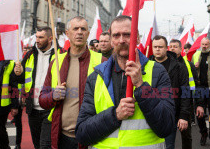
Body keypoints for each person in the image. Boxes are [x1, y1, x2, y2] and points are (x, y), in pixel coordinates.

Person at [75, 15, 175, 149]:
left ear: (138, 38)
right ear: (111, 41)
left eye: (127, 34)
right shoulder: (96, 77)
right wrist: (115, 115)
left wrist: (140, 85)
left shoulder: (157, 72)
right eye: (116, 35)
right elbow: (82, 133)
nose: (122, 40)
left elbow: (166, 126)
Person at [39, 16, 103, 149]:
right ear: (67, 33)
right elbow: (42, 100)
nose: (79, 32)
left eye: (83, 29)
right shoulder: (56, 62)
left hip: (91, 137)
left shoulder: (102, 61)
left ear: (87, 33)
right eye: (75, 29)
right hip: (62, 137)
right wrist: (53, 96)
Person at [14, 26, 56, 149]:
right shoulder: (29, 55)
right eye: (36, 37)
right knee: (37, 144)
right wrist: (18, 73)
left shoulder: (60, 54)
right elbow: (21, 79)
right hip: (32, 108)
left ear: (50, 39)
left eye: (41, 37)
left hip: (50, 108)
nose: (37, 40)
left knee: (45, 145)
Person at [151, 35, 191, 149]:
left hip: (170, 114)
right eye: (155, 47)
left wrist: (183, 116)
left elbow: (185, 92)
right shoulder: (146, 66)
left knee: (168, 146)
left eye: (160, 46)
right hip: (150, 114)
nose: (157, 49)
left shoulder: (179, 67)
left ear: (166, 48)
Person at [169, 38, 200, 149]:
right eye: (170, 46)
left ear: (181, 49)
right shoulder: (165, 64)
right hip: (169, 105)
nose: (172, 48)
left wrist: (198, 103)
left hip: (185, 105)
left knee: (186, 136)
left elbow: (195, 84)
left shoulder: (188, 64)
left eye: (175, 46)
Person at [191, 38, 210, 147]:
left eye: (206, 44)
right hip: (199, 88)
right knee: (199, 115)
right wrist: (194, 67)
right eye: (203, 44)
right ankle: (203, 133)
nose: (204, 46)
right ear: (200, 44)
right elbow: (191, 71)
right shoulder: (196, 55)